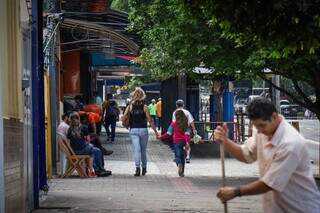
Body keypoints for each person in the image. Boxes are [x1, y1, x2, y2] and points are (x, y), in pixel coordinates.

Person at [214, 97, 320, 213]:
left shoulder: (290, 143)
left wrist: (236, 191)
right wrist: (225, 141)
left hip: (300, 208)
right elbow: (246, 155)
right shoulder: (262, 131)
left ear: (274, 117)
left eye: (262, 125)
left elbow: (270, 184)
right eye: (256, 126)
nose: (259, 131)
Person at [123, 87, 159, 176]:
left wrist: (126, 124)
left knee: (136, 150)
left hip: (133, 130)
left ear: (134, 96)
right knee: (143, 150)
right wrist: (156, 132)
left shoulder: (130, 106)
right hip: (143, 130)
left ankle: (137, 168)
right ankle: (144, 168)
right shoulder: (145, 107)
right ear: (143, 96)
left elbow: (124, 117)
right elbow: (150, 120)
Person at [67, 112, 111, 177]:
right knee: (94, 149)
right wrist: (89, 145)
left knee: (96, 150)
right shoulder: (83, 127)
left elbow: (69, 141)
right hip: (82, 150)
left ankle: (98, 170)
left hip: (74, 151)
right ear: (79, 119)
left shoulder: (69, 130)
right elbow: (88, 140)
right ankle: (97, 170)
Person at [158, 110, 191, 177]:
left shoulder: (174, 124)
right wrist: (187, 142)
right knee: (182, 156)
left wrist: (160, 137)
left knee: (177, 156)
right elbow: (187, 134)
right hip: (184, 141)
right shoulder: (186, 124)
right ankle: (182, 172)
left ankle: (179, 164)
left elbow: (168, 133)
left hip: (176, 142)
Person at [172, 99, 196, 163]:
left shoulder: (175, 112)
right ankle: (187, 157)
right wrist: (194, 129)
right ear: (183, 105)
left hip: (178, 130)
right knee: (187, 143)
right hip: (187, 129)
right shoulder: (187, 112)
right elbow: (191, 121)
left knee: (178, 143)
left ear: (176, 105)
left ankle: (177, 157)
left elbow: (174, 122)